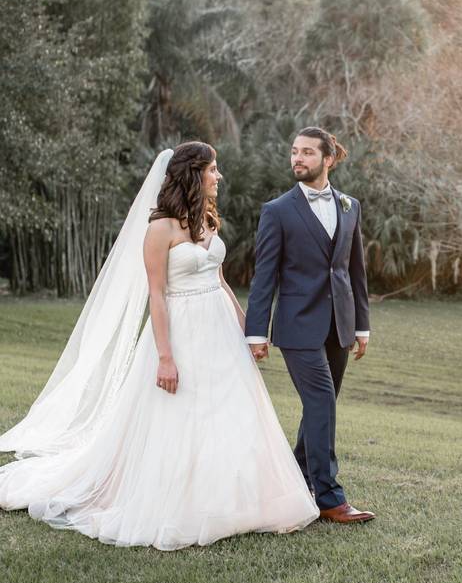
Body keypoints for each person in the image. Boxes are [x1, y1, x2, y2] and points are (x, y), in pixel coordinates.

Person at [0, 142, 319, 550]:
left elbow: (220, 281)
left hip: (219, 326)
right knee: (180, 412)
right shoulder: (160, 228)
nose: (218, 177)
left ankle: (237, 497)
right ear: (193, 173)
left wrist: (249, 330)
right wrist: (165, 357)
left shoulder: (207, 219)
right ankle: (180, 499)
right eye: (213, 169)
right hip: (180, 329)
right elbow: (156, 295)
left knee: (231, 411)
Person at [245, 126, 374, 524]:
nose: (297, 159)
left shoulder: (350, 206)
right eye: (294, 152)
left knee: (322, 406)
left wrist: (362, 326)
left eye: (307, 153)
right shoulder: (278, 211)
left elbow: (356, 271)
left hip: (341, 324)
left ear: (328, 159)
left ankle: (298, 480)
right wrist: (256, 331)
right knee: (320, 402)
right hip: (297, 325)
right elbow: (264, 275)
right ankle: (329, 497)